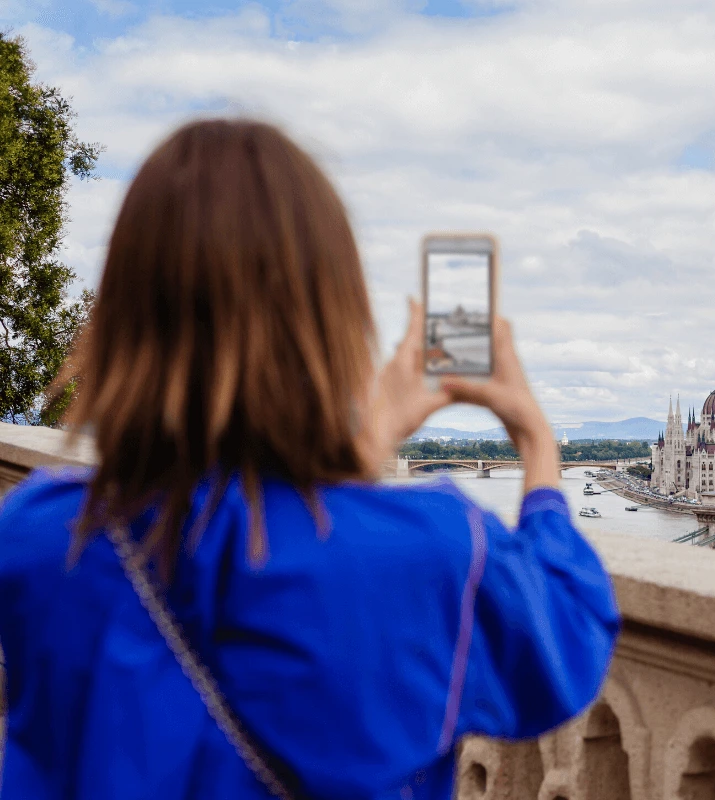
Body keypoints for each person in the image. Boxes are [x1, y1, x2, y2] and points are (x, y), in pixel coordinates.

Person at [0, 119, 620, 799]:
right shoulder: (438, 552)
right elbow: (569, 637)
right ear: (332, 316)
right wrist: (533, 438)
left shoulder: (37, 533)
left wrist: (372, 435)